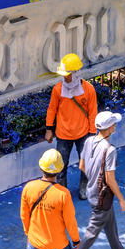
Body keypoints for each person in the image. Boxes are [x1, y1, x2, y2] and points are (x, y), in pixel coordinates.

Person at [75, 111, 125, 249]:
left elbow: (82, 166)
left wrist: (93, 178)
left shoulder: (89, 141)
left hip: (93, 192)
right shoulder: (110, 150)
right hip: (102, 197)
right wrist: (121, 198)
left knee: (110, 223)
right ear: (110, 127)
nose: (115, 126)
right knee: (91, 235)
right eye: (114, 124)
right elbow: (110, 179)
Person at [45, 53, 98, 199]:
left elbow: (93, 112)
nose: (66, 77)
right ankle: (62, 193)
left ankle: (84, 188)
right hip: (63, 134)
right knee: (60, 166)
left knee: (86, 164)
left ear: (76, 74)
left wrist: (92, 133)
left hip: (84, 134)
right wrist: (49, 129)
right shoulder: (57, 90)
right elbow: (52, 109)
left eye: (68, 74)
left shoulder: (88, 90)